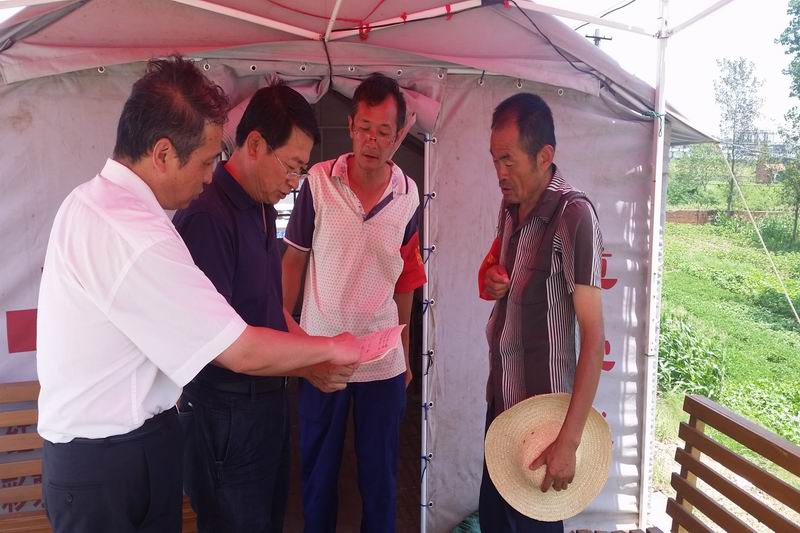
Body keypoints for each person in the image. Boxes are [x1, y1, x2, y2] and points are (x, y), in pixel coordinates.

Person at [36, 56, 360, 533]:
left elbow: (261, 314)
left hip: (130, 443)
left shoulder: (95, 202)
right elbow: (236, 347)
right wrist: (331, 348)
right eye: (207, 162)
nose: (210, 176)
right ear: (163, 154)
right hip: (112, 458)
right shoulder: (137, 233)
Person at [173, 83, 354, 533]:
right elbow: (223, 345)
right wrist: (319, 354)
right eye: (291, 166)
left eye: (302, 171)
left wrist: (313, 353)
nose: (294, 182)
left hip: (267, 406)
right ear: (254, 144)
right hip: (226, 416)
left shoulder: (260, 207)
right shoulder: (207, 217)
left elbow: (273, 310)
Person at [282, 73, 426, 533]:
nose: (372, 141)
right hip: (321, 355)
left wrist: (404, 354)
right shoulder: (318, 183)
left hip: (381, 361)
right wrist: (287, 337)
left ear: (399, 135)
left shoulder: (408, 195)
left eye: (384, 131)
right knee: (318, 472)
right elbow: (293, 262)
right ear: (350, 126)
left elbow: (406, 279)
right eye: (365, 128)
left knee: (380, 477)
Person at [479, 93, 605, 533]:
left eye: (509, 161)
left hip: (544, 426)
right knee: (494, 524)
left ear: (544, 156)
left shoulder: (574, 216)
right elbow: (495, 276)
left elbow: (593, 338)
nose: (500, 173)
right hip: (501, 410)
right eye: (494, 160)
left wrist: (568, 442)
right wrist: (492, 280)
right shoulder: (510, 206)